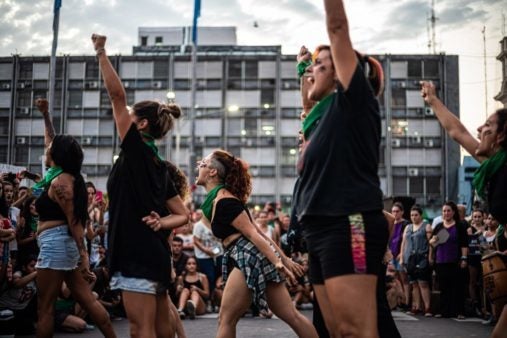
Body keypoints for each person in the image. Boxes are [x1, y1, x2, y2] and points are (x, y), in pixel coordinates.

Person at [291, 1, 388, 336]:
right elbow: (306, 103)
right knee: (334, 332)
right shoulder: (324, 119)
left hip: (352, 224)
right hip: (319, 230)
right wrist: (302, 68)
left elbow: (337, 29)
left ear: (340, 74)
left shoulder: (354, 101)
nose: (311, 71)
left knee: (356, 330)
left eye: (319, 65)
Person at [92, 33, 189, 338]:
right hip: (155, 255)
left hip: (135, 253)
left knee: (140, 331)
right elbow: (182, 214)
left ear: (142, 124)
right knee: (161, 333)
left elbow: (116, 97)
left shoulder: (135, 151)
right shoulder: (160, 166)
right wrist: (162, 223)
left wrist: (101, 52)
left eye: (131, 116)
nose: (124, 117)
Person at [196, 149, 318, 338]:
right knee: (290, 315)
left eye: (203, 163)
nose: (198, 165)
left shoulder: (225, 201)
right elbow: (259, 232)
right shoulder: (218, 200)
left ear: (213, 172)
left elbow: (254, 234)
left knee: (226, 319)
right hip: (250, 255)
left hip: (248, 256)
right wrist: (283, 259)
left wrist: (279, 262)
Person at [421, 81, 507, 337]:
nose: (480, 129)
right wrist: (433, 100)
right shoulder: (495, 163)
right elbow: (457, 132)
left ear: (501, 137)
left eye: (488, 127)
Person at [33, 98, 115, 338]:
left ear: (57, 155)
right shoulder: (59, 174)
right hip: (62, 244)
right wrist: (46, 114)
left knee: (45, 309)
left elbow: (75, 222)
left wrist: (84, 258)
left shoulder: (61, 183)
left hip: (57, 244)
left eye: (50, 149)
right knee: (87, 300)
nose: (47, 149)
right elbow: (51, 139)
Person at [429, 201, 468, 319]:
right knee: (443, 287)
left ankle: (459, 311)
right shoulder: (439, 226)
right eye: (444, 211)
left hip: (455, 261)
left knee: (457, 287)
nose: (446, 213)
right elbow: (432, 243)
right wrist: (432, 242)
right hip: (440, 261)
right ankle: (444, 311)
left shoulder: (460, 226)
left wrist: (464, 258)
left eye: (448, 211)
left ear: (453, 212)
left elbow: (464, 244)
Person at [399, 205, 432, 316]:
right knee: (413, 283)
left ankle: (427, 307)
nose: (414, 217)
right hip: (410, 258)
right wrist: (402, 258)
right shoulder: (407, 227)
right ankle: (417, 306)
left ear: (420, 215)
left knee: (423, 283)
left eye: (416, 215)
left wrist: (430, 257)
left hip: (422, 257)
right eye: (412, 215)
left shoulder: (426, 226)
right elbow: (403, 243)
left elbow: (431, 243)